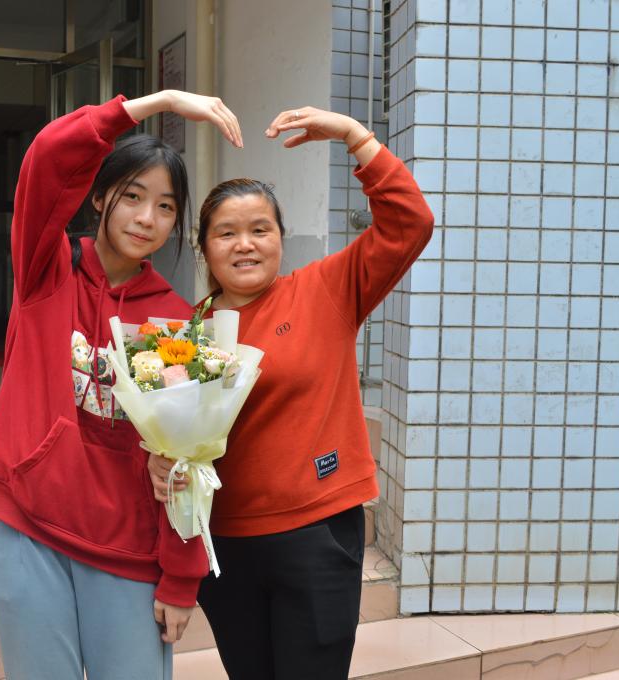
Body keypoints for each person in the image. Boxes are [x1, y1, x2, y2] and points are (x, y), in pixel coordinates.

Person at [0, 90, 242, 680]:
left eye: (165, 207)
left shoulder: (175, 322)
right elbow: (46, 157)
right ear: (98, 197)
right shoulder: (46, 271)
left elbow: (187, 463)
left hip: (126, 548)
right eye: (132, 196)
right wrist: (158, 102)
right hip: (28, 529)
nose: (146, 218)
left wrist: (181, 576)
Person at [148, 106, 434, 680]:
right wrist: (161, 462)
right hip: (225, 541)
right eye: (226, 233)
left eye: (261, 230)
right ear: (205, 248)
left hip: (316, 533)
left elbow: (411, 224)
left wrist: (354, 137)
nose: (245, 245)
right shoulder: (185, 332)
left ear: (281, 239)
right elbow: (174, 435)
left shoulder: (325, 289)